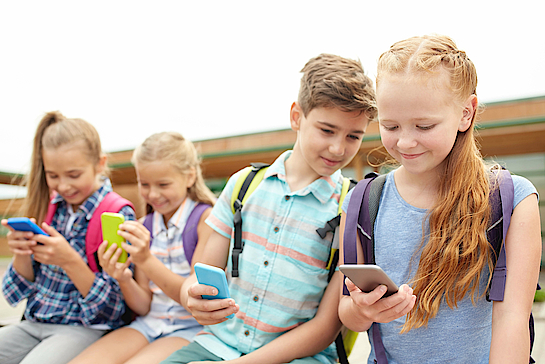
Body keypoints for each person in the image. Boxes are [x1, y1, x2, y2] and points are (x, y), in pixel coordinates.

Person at [161, 53, 377, 364]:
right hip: (216, 345)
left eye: (353, 136)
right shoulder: (242, 185)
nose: (338, 148)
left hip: (300, 357)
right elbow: (198, 277)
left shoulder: (350, 207)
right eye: (327, 130)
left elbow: (326, 328)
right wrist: (191, 298)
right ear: (296, 116)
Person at [338, 34, 542, 363]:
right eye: (390, 126)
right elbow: (347, 312)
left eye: (424, 125)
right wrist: (363, 308)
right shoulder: (362, 202)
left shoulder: (511, 199)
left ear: (466, 113)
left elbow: (512, 322)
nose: (405, 142)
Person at [0, 111, 137, 364]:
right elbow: (14, 293)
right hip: (34, 322)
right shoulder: (51, 207)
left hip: (83, 328)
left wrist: (70, 261)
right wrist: (21, 254)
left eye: (74, 175)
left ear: (100, 163)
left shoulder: (116, 214)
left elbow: (114, 309)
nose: (63, 186)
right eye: (53, 176)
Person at [70, 132, 216, 364]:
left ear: (189, 177)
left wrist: (146, 259)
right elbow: (144, 305)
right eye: (144, 184)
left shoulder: (205, 220)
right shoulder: (143, 226)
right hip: (149, 323)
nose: (153, 194)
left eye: (163, 184)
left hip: (190, 327)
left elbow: (194, 298)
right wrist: (123, 277)